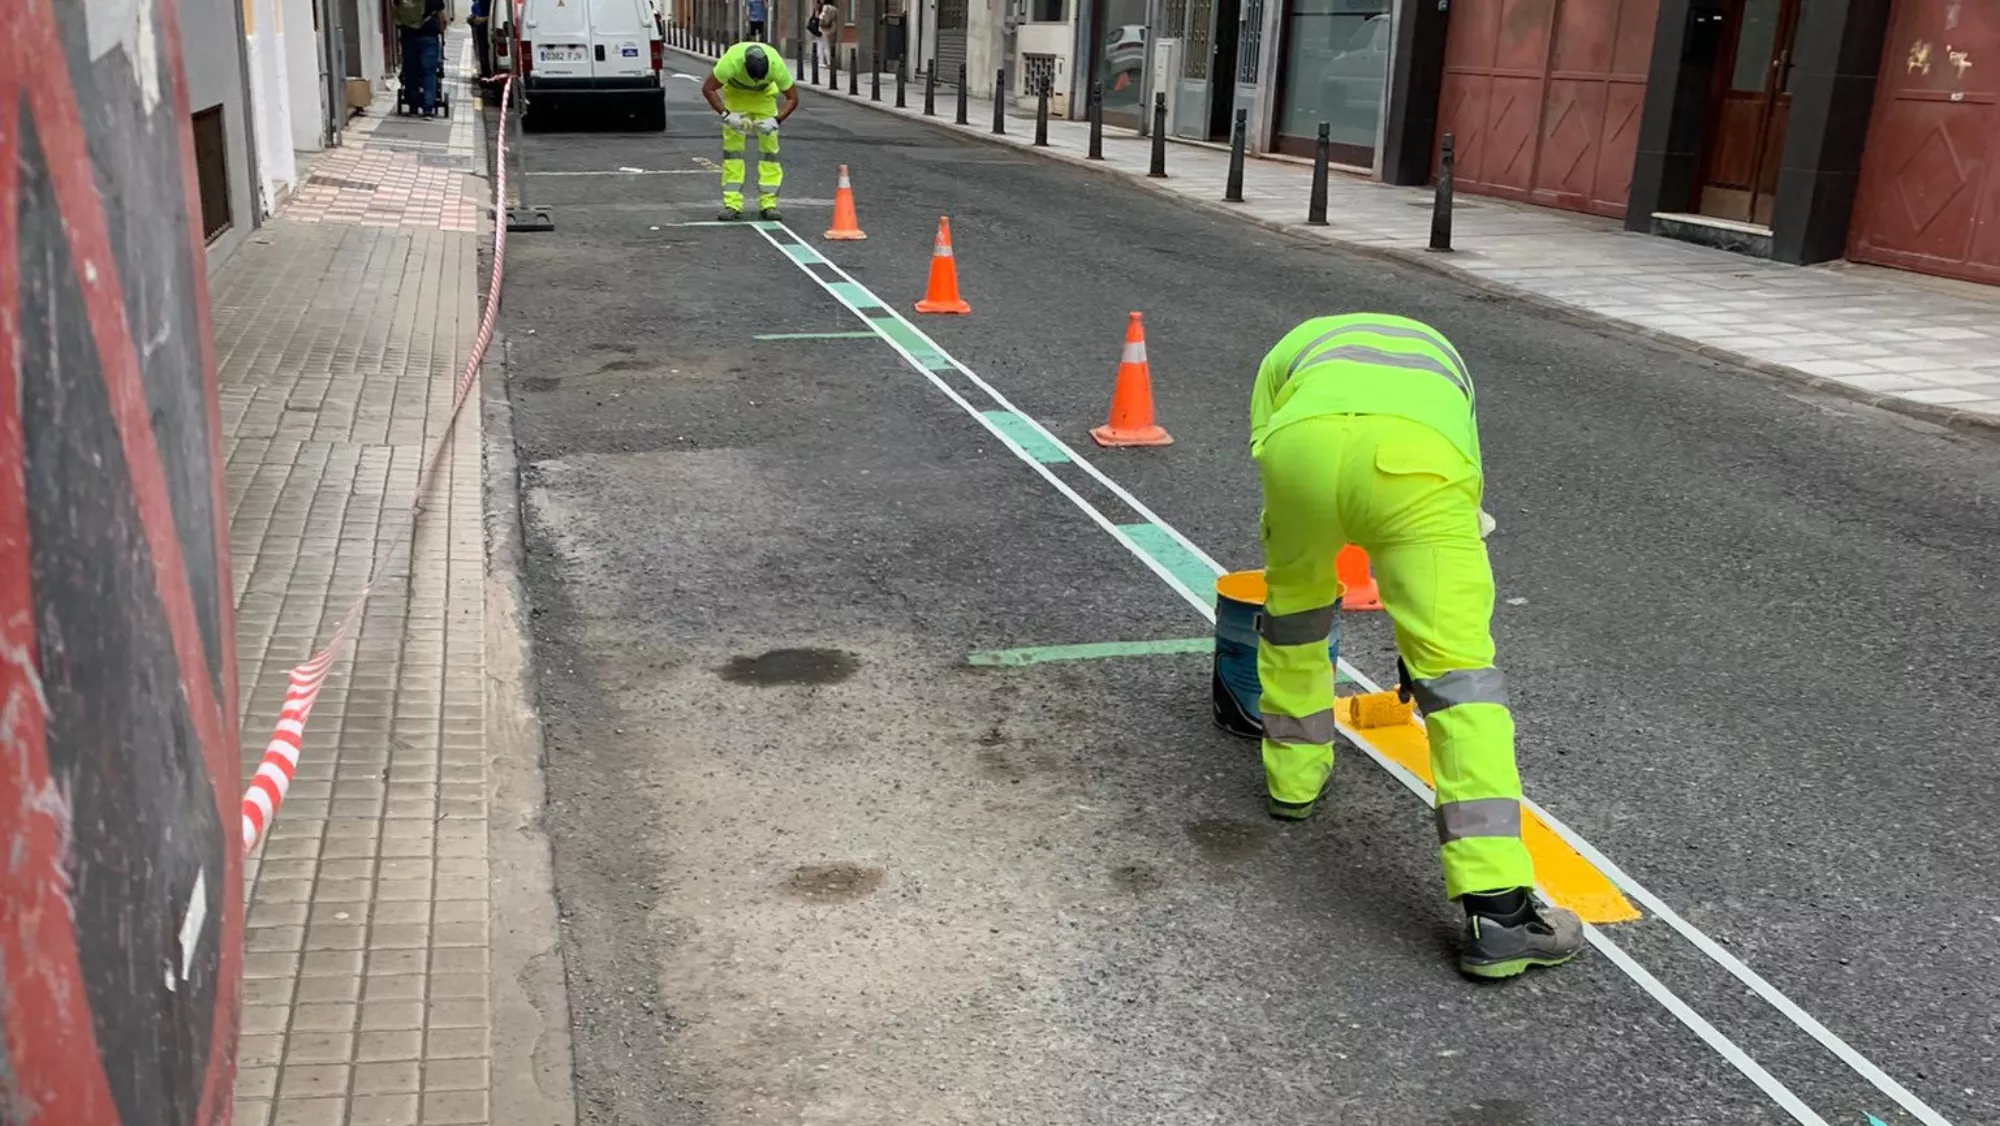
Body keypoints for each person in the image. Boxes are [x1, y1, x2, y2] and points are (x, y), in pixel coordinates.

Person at [1247, 313, 1584, 982]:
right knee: (1461, 685)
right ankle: (1501, 914)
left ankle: (1292, 781)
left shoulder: (1293, 346)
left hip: (1299, 449)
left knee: (1296, 616)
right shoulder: (1444, 359)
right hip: (1417, 461)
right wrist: (1428, 636)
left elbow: (1264, 437)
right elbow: (1468, 477)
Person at [701, 43, 797, 221]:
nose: (754, 82)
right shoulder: (730, 62)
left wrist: (776, 121)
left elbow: (792, 98)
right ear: (744, 66)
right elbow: (708, 89)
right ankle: (732, 204)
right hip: (736, 98)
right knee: (733, 153)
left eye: (758, 79)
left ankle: (769, 204)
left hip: (764, 99)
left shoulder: (776, 64)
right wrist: (726, 115)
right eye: (752, 77)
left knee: (770, 153)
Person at [393, 0, 448, 116]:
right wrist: (441, 32)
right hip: (429, 37)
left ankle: (413, 105)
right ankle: (428, 108)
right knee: (430, 73)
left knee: (411, 70)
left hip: (408, 37)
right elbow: (441, 18)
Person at [469, 0, 493, 79]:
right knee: (482, 50)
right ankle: (485, 72)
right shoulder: (476, 5)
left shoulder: (481, 4)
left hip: (487, 29)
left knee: (485, 50)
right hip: (481, 30)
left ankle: (486, 73)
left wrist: (484, 19)